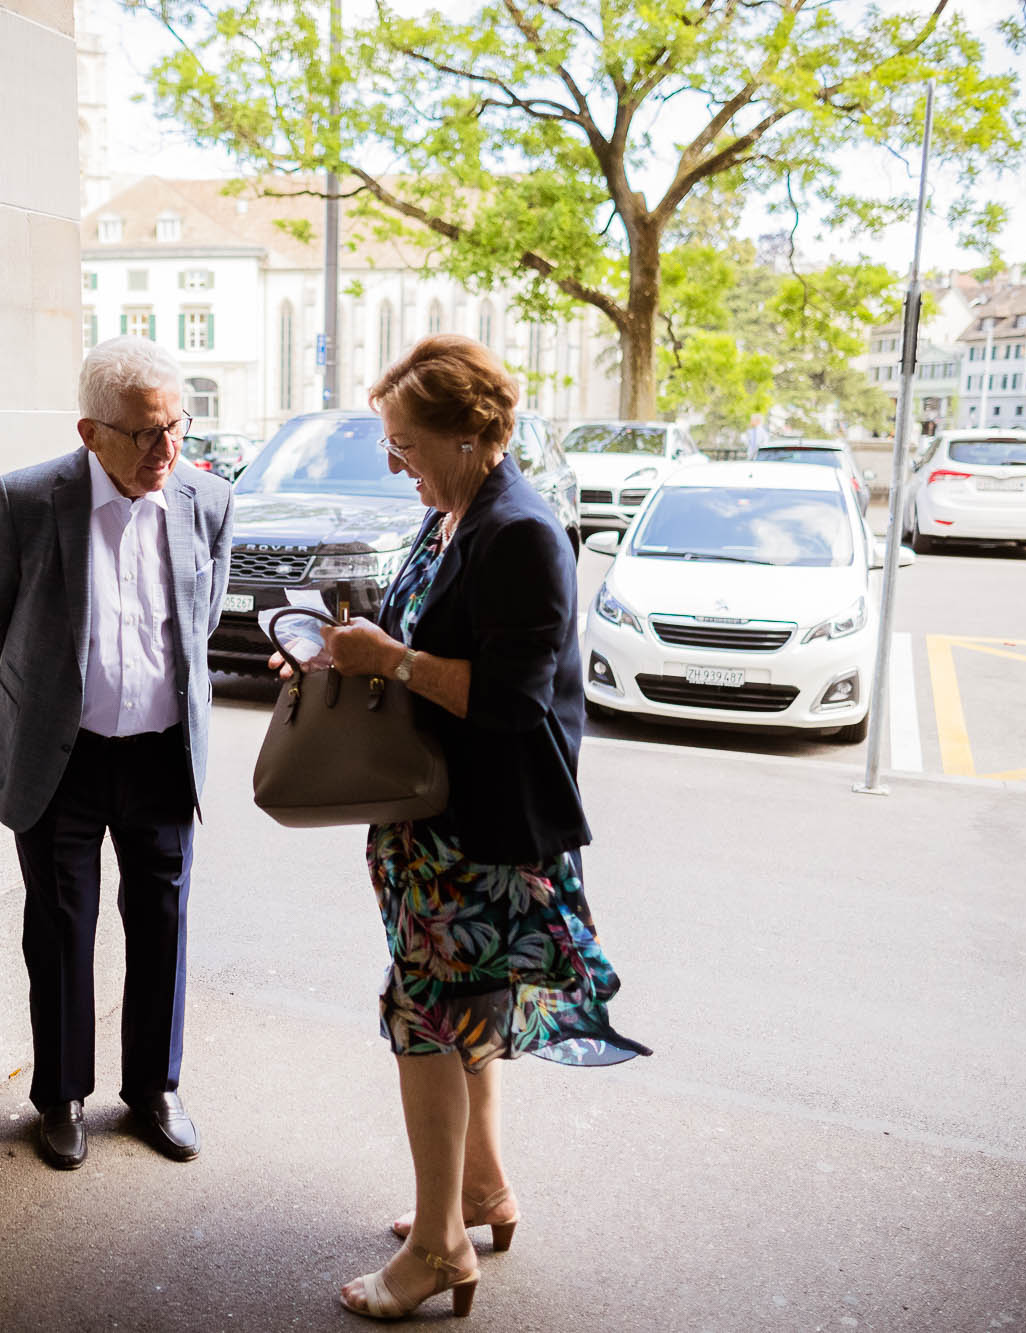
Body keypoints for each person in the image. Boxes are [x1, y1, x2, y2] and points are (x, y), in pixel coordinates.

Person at [294, 335, 651, 1319]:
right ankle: (481, 1191)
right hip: (433, 827)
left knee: (423, 1022)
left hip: (480, 837)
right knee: (462, 1017)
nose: (392, 458)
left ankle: (436, 1249)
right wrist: (344, 658)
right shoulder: (452, 514)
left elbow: (507, 700)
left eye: (404, 440)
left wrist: (390, 663)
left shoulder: (519, 530)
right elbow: (418, 641)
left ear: (465, 435)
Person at [0, 337, 234, 1171]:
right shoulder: (28, 501)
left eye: (175, 426)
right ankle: (62, 1097)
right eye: (146, 433)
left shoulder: (206, 503)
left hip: (159, 756)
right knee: (61, 927)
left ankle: (154, 1088)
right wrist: (46, 702)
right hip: (63, 758)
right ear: (91, 432)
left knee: (162, 923)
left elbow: (201, 619)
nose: (166, 449)